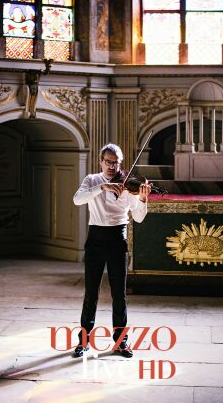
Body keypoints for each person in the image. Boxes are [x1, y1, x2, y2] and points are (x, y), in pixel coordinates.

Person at [72, 143, 152, 358]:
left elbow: (139, 217)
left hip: (118, 241)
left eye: (115, 163)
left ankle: (121, 342)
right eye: (108, 162)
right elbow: (77, 199)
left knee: (119, 295)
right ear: (101, 161)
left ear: (120, 163)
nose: (111, 166)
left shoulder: (129, 185)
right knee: (91, 294)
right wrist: (103, 187)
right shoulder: (92, 180)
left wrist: (143, 199)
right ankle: (83, 342)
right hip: (95, 241)